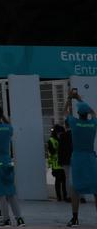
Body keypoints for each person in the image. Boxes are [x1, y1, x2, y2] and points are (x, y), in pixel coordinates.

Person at [66, 89, 97, 227]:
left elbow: (64, 112)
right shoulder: (92, 124)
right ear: (86, 114)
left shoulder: (74, 123)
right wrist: (79, 99)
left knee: (76, 189)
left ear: (78, 113)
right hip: (91, 158)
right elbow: (93, 112)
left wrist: (69, 98)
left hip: (78, 158)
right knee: (96, 188)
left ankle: (75, 218)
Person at [49, 124, 66, 202]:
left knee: (64, 181)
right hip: (56, 165)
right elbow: (51, 152)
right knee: (58, 181)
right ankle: (59, 197)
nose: (60, 134)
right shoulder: (51, 140)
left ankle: (65, 196)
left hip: (63, 164)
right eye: (59, 132)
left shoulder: (63, 139)